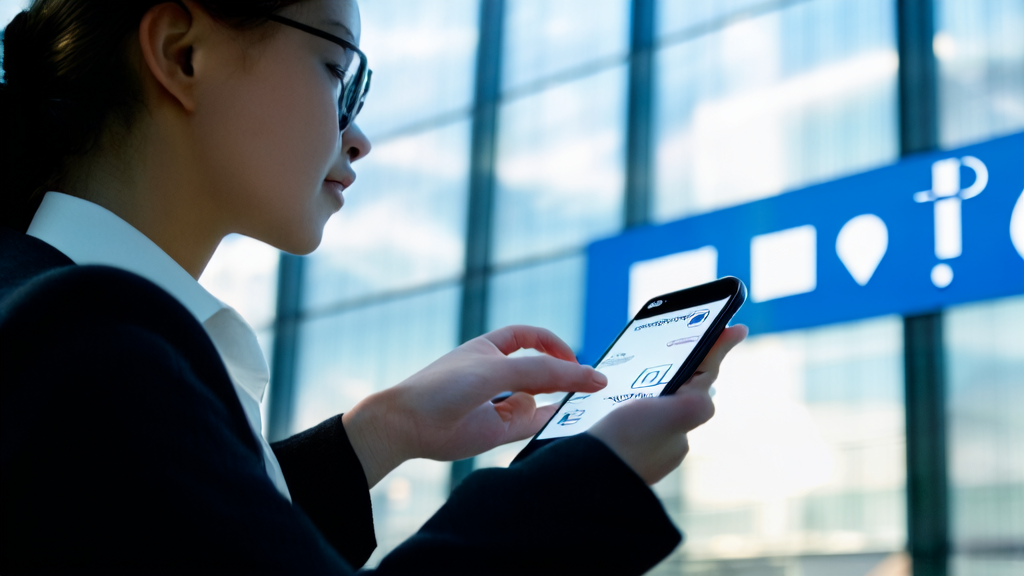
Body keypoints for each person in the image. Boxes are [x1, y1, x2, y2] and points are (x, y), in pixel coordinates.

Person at [0, 1, 748, 574]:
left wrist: (380, 433)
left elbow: (166, 532)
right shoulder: (81, 343)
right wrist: (587, 484)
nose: (357, 134)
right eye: (338, 72)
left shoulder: (50, 317)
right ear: (181, 54)